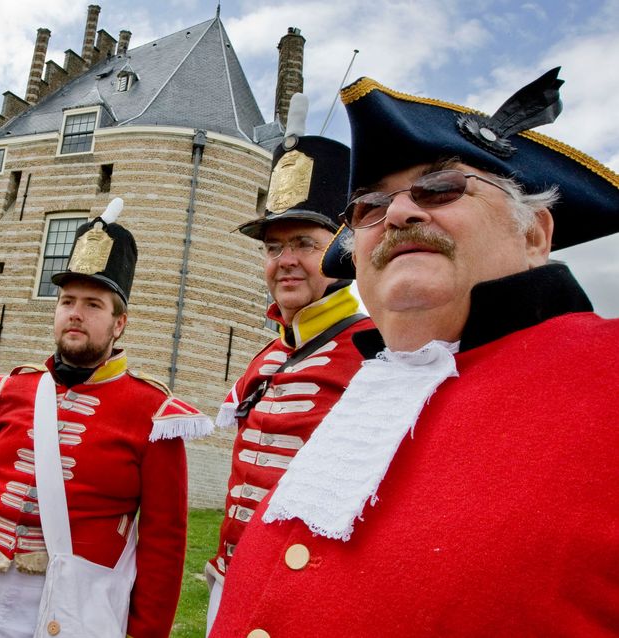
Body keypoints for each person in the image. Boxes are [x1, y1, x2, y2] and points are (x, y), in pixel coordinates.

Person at [211, 68, 619, 636]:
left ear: (534, 235)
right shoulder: (375, 382)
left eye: (440, 188)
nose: (399, 213)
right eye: (369, 208)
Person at [0, 201, 212, 638]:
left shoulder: (153, 414)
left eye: (93, 304)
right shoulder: (10, 390)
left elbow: (164, 547)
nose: (75, 313)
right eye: (67, 300)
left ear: (119, 323)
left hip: (80, 610)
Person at [205, 126, 372, 632]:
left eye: (304, 242)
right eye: (274, 248)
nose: (286, 261)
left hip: (312, 596)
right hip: (232, 580)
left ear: (344, 249)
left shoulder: (379, 352)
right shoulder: (271, 354)